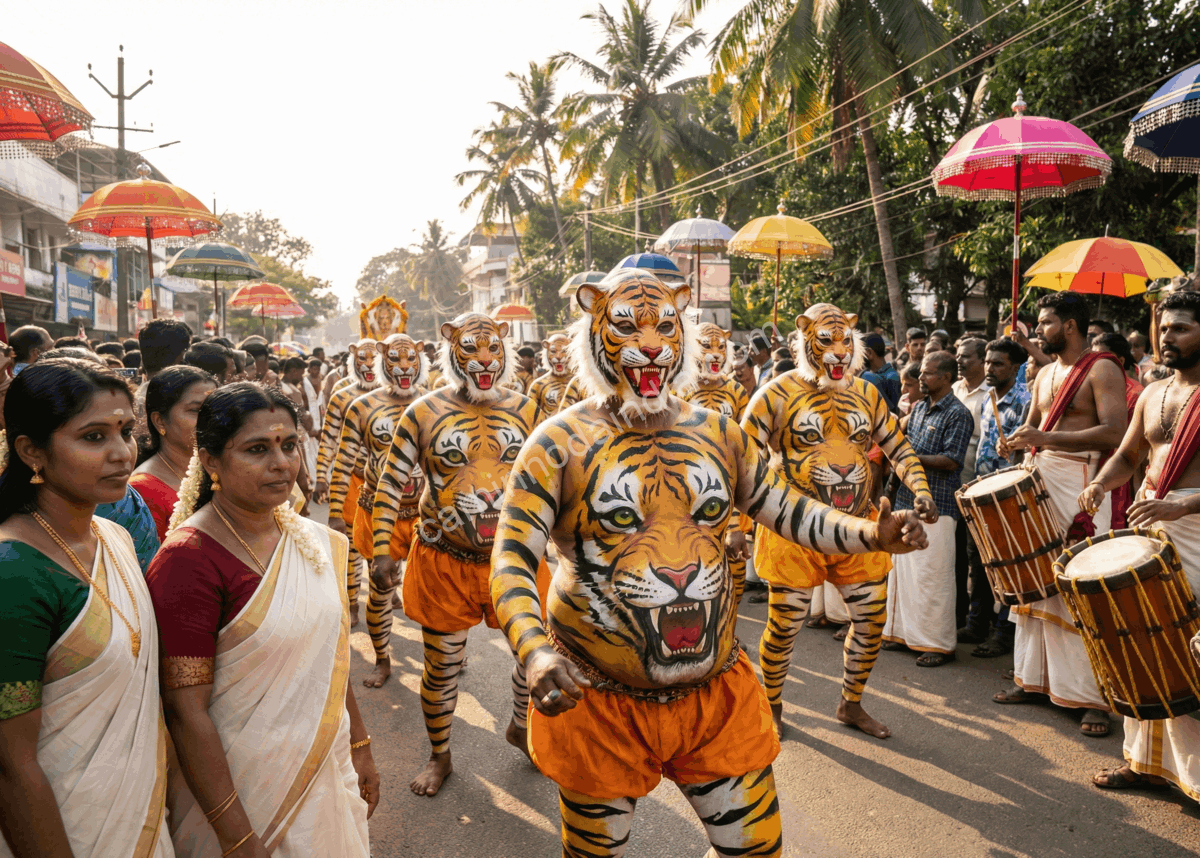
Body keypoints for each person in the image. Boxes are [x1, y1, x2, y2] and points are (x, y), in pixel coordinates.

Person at [489, 273, 928, 857]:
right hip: (598, 701)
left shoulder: (717, 433)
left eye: (664, 327)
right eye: (626, 328)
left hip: (715, 696)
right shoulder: (558, 443)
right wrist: (533, 649)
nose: (649, 344)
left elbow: (788, 509)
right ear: (593, 334)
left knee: (757, 851)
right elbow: (512, 560)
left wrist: (871, 533)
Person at [147, 383, 377, 857]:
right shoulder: (188, 561)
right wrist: (236, 835)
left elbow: (331, 659)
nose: (282, 463)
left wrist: (360, 744)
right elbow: (186, 712)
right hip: (240, 793)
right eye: (257, 449)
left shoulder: (311, 541)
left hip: (325, 768)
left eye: (289, 445)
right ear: (210, 460)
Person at [371, 313, 547, 798]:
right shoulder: (424, 412)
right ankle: (440, 755)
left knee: (533, 654)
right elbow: (391, 480)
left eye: (492, 349)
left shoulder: (527, 409)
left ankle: (518, 726)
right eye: (471, 349)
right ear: (451, 351)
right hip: (444, 558)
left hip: (513, 557)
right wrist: (385, 546)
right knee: (443, 665)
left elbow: (553, 481)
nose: (485, 360)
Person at [0, 360, 172, 857]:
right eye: (94, 437)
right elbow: (11, 764)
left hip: (137, 816)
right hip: (61, 832)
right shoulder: (14, 571)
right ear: (32, 451)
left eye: (125, 431)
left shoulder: (113, 537)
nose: (122, 453)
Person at [744, 304, 935, 739]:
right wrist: (738, 527)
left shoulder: (866, 393)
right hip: (793, 529)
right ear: (803, 339)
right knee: (784, 627)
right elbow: (741, 460)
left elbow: (898, 447)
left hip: (859, 529)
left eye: (844, 340)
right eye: (825, 341)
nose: (837, 351)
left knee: (870, 623)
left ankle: (851, 704)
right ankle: (771, 704)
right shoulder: (774, 394)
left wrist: (920, 490)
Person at [1082, 291, 1200, 799]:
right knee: (1141, 638)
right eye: (1164, 328)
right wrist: (1101, 484)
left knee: (1187, 649)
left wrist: (1182, 507)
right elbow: (1129, 456)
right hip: (1151, 525)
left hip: (1193, 528)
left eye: (1181, 329)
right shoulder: (1152, 394)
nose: (1167, 337)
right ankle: (1143, 762)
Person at [994, 292, 1128, 737]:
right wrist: (1013, 441)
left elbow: (1115, 432)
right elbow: (1033, 428)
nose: (1038, 330)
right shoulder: (1045, 372)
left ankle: (1094, 698)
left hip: (1080, 484)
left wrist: (1043, 439)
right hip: (1040, 478)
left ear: (1070, 326)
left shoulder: (1103, 367)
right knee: (1035, 580)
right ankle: (1033, 680)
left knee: (1079, 587)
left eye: (1046, 322)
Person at [329, 334, 427, 688]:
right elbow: (342, 463)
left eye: (410, 360)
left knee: (431, 590)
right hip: (375, 511)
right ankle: (383, 660)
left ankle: (443, 656)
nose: (404, 367)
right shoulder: (362, 406)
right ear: (381, 360)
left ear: (420, 360)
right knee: (380, 590)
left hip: (423, 515)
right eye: (396, 360)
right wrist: (336, 512)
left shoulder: (434, 404)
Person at [882, 350, 973, 667]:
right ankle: (904, 635)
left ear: (947, 378)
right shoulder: (919, 408)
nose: (921, 377)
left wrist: (910, 458)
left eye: (928, 373)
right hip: (906, 503)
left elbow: (951, 461)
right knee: (905, 576)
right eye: (921, 374)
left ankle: (937, 644)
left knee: (933, 578)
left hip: (940, 505)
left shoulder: (958, 415)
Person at [964, 337, 1030, 657]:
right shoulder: (987, 397)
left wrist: (1018, 448)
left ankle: (1004, 632)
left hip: (1007, 496)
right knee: (978, 561)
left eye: (998, 363)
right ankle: (977, 622)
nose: (989, 368)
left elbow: (1030, 451)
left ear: (1015, 368)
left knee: (1006, 564)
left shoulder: (1025, 401)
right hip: (980, 491)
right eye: (988, 362)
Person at [314, 340, 380, 622]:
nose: (367, 364)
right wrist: (320, 478)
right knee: (352, 547)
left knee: (384, 544)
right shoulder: (341, 395)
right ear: (352, 358)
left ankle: (383, 599)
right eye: (361, 359)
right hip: (353, 480)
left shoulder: (398, 397)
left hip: (388, 484)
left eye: (373, 359)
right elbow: (329, 440)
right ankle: (352, 604)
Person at [130, 366, 218, 543]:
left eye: (215, 409)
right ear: (160, 421)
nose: (212, 419)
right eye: (196, 410)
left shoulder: (218, 471)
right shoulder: (142, 491)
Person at [952, 338, 991, 634]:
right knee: (955, 556)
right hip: (952, 484)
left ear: (982, 361)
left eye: (966, 357)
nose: (960, 360)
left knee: (977, 557)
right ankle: (957, 617)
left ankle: (979, 622)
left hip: (978, 487)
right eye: (957, 355)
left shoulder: (990, 395)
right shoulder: (954, 389)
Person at [1092, 332, 1145, 528]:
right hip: (1090, 469)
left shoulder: (1137, 394)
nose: (1096, 365)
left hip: (1119, 475)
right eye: (1092, 358)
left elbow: (1137, 454)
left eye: (1102, 359)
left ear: (1120, 361)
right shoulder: (1092, 386)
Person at [527, 333, 574, 414]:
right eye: (553, 351)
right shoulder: (538, 385)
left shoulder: (580, 384)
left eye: (564, 351)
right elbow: (529, 415)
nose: (558, 356)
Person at [859, 332, 901, 412]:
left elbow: (895, 412)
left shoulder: (892, 377)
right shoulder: (870, 373)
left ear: (869, 353)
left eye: (858, 353)